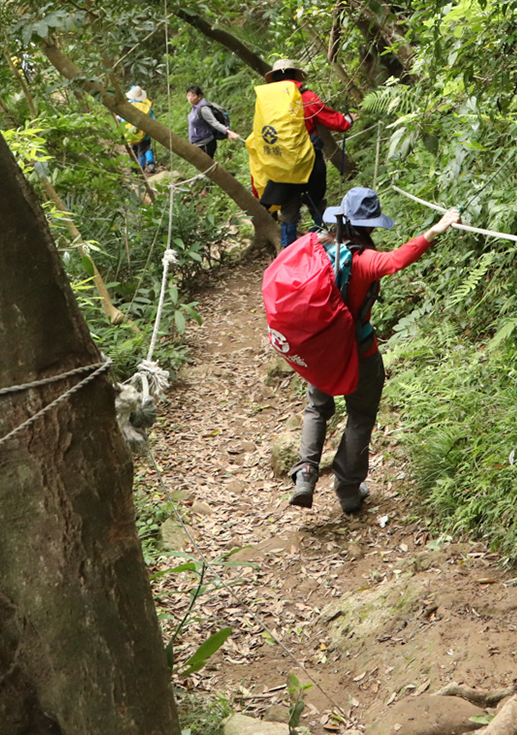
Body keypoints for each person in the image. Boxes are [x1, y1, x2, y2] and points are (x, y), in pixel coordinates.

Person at [291, 188, 460, 513]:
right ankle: (348, 492)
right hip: (357, 350)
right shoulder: (363, 261)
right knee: (361, 415)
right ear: (369, 226)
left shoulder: (318, 247)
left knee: (316, 408)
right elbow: (396, 260)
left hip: (320, 349)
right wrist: (436, 230)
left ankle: (306, 475)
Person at [256, 59, 351, 248]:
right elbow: (335, 122)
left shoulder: (267, 102)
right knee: (316, 203)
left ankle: (286, 253)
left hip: (280, 163)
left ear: (274, 78)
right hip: (308, 161)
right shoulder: (304, 96)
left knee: (288, 211)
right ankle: (318, 249)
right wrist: (347, 120)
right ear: (295, 75)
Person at [185, 84, 242, 164]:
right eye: (188, 95)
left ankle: (223, 176)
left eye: (193, 95)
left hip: (206, 144)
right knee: (203, 167)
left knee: (207, 167)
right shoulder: (195, 107)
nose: (190, 98)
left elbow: (214, 123)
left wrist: (228, 132)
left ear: (199, 96)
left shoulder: (203, 109)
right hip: (198, 144)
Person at [120, 85, 156, 173]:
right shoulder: (146, 107)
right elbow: (153, 120)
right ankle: (142, 169)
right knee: (142, 151)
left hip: (131, 134)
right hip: (144, 135)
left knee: (133, 151)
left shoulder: (128, 106)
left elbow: (122, 120)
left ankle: (133, 169)